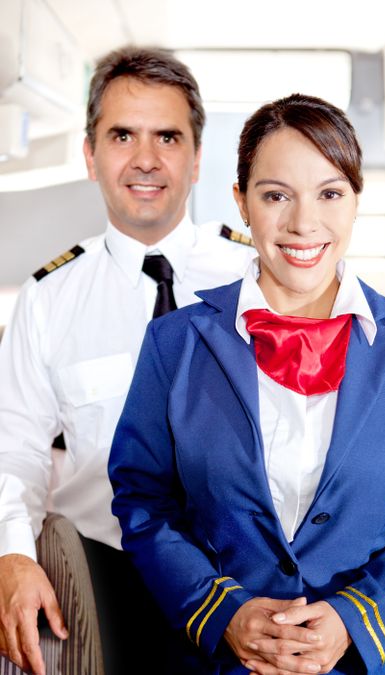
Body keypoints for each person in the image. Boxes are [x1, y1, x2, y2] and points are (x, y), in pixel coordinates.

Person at [109, 92, 385, 675]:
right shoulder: (176, 344)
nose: (303, 224)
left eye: (329, 193)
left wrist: (355, 619)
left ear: (355, 201)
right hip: (216, 661)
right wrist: (222, 614)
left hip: (359, 662)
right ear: (241, 201)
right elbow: (144, 502)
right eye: (275, 196)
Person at [0, 46, 255, 675]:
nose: (145, 159)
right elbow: (16, 448)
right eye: (122, 135)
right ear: (91, 156)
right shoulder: (48, 298)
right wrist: (11, 554)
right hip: (106, 584)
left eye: (167, 136)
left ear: (196, 158)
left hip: (245, 579)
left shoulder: (259, 274)